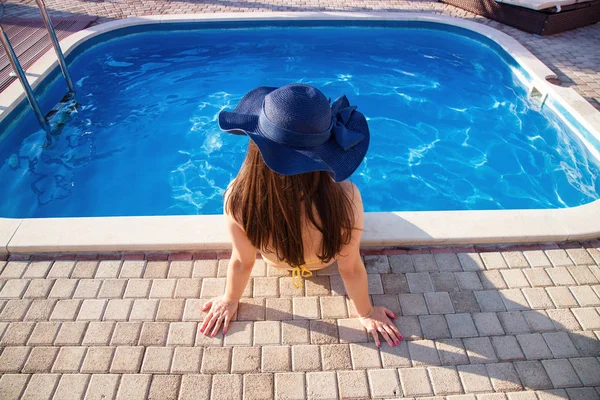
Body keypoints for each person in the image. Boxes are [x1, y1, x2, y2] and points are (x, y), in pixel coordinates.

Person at [199, 83, 403, 347]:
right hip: (323, 261)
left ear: (256, 146)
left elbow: (242, 261)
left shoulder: (237, 199)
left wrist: (229, 299)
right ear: (326, 150)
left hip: (278, 260)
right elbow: (350, 266)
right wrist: (365, 312)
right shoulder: (347, 197)